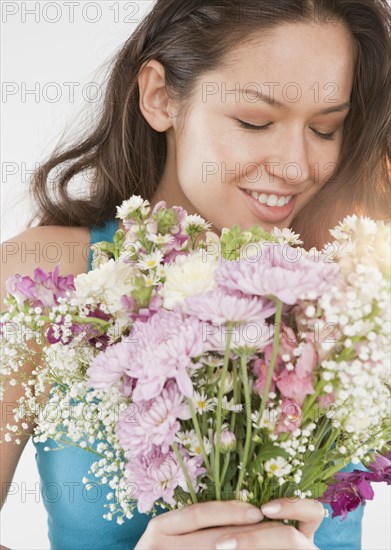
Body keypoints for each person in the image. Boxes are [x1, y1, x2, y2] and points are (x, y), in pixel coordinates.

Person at [1, 0, 390, 549]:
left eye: (327, 129)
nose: (297, 166)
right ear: (160, 97)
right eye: (255, 121)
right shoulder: (40, 278)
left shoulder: (359, 290)